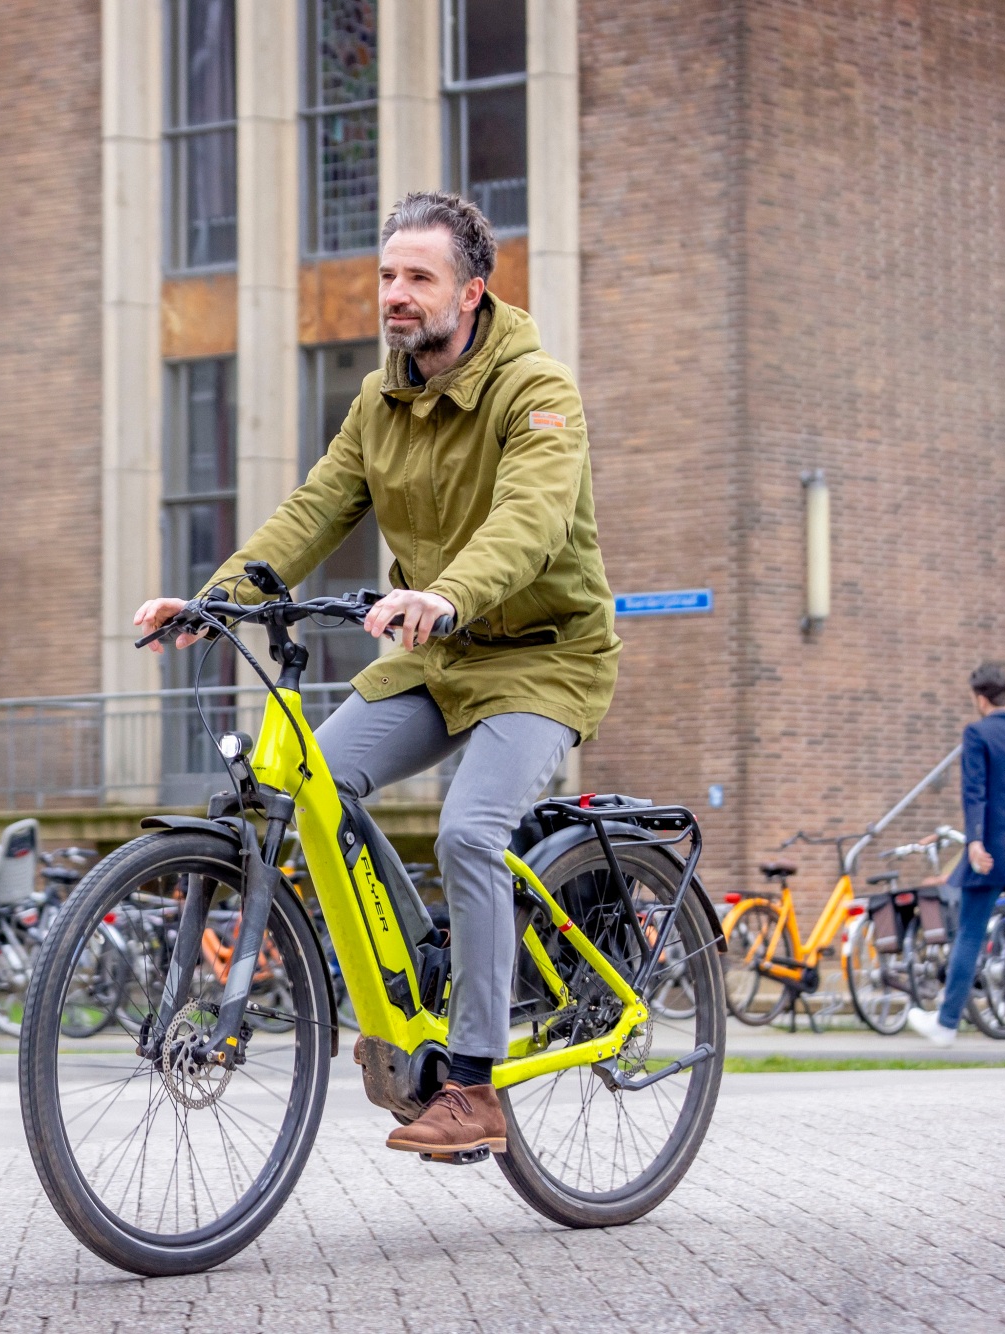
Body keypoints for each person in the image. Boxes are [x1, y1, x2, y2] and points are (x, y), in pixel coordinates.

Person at [133, 191, 620, 1157]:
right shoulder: (379, 399)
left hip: (543, 657)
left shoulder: (538, 390)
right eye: (387, 275)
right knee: (306, 785)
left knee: (469, 832)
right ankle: (410, 981)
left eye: (419, 277)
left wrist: (446, 593)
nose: (395, 293)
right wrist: (217, 597)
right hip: (438, 657)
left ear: (471, 292)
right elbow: (315, 509)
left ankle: (475, 1084)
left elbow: (528, 520)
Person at [909, 664, 1005, 1050]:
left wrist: (974, 841)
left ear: (980, 699)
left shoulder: (978, 733)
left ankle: (946, 1024)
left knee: (969, 936)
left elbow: (974, 791)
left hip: (990, 852)